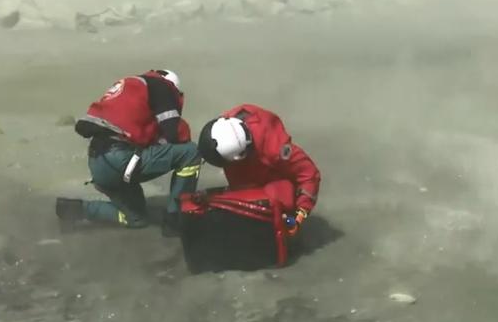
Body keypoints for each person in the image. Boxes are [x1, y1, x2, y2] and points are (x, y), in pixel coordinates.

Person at [56, 69, 201, 237]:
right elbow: (174, 133)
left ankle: (75, 209)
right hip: (120, 160)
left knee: (137, 219)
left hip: (98, 163)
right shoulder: (163, 88)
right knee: (191, 153)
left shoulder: (129, 87)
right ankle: (175, 218)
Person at [197, 103, 320, 232]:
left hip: (272, 174)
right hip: (244, 158)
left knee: (282, 198)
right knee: (240, 192)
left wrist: (300, 214)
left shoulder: (276, 148)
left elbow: (309, 174)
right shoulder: (224, 127)